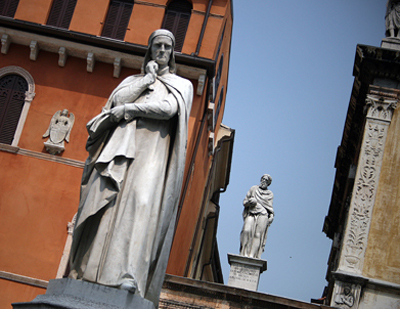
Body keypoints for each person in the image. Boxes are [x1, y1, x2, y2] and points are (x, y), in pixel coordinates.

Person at [68, 29, 193, 307]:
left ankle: (129, 274)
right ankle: (89, 271)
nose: (161, 51)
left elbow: (168, 109)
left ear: (172, 54)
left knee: (141, 204)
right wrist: (147, 79)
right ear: (149, 51)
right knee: (108, 206)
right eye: (156, 46)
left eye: (166, 47)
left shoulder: (181, 84)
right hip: (120, 150)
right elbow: (116, 102)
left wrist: (132, 111)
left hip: (153, 154)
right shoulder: (133, 81)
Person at [240, 174, 274, 259]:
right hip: (251, 212)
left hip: (263, 214)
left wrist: (271, 216)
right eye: (263, 179)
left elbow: (270, 208)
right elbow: (245, 202)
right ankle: (243, 253)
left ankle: (252, 256)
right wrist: (251, 202)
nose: (264, 181)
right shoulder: (253, 189)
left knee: (258, 235)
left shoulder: (270, 194)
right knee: (246, 230)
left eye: (266, 180)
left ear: (268, 183)